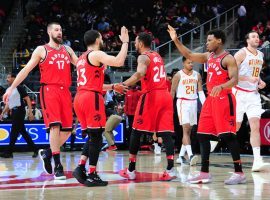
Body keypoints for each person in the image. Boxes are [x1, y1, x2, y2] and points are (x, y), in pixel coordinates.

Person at [168, 25, 246, 185]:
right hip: (211, 100)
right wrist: (175, 40)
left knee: (228, 135)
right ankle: (204, 172)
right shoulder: (208, 56)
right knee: (202, 134)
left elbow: (235, 80)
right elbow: (188, 54)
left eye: (210, 40)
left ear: (219, 41)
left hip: (225, 99)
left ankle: (239, 173)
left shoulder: (228, 58)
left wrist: (222, 86)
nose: (207, 43)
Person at [3, 22, 78, 180]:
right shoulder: (41, 50)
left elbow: (81, 66)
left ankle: (47, 153)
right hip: (49, 90)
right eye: (56, 30)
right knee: (55, 126)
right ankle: (58, 165)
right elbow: (26, 70)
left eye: (61, 30)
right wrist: (11, 88)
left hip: (65, 91)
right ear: (49, 32)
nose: (60, 32)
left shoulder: (67, 50)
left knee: (67, 130)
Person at [72, 27, 129, 187]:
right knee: (97, 137)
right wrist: (125, 42)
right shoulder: (95, 54)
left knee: (93, 135)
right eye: (101, 39)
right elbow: (119, 61)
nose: (103, 41)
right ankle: (91, 174)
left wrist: (112, 86)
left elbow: (94, 83)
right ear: (97, 40)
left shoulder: (82, 58)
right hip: (91, 98)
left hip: (80, 97)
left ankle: (81, 167)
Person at [119, 32, 177, 181]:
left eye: (135, 41)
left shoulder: (143, 57)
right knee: (166, 133)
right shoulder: (157, 56)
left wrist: (122, 84)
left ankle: (131, 169)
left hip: (152, 95)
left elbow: (139, 74)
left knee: (136, 132)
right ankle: (170, 169)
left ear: (140, 43)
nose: (134, 44)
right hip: (165, 95)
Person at [233, 31, 270, 172]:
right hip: (238, 93)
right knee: (235, 127)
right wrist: (247, 79)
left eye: (258, 37)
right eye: (253, 36)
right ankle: (216, 138)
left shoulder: (260, 55)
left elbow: (255, 73)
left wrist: (260, 81)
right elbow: (232, 74)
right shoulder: (241, 54)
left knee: (255, 125)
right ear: (247, 40)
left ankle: (257, 160)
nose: (257, 38)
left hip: (253, 95)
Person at [170, 56, 205, 166]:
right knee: (185, 129)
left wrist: (205, 105)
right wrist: (168, 107)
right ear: (183, 63)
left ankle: (180, 156)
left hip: (193, 103)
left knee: (190, 131)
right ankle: (190, 155)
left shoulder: (197, 75)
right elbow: (172, 92)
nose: (191, 64)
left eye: (192, 63)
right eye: (189, 62)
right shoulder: (178, 75)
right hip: (182, 103)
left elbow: (200, 92)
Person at [0, 73, 38, 158]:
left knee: (13, 131)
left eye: (9, 77)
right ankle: (35, 149)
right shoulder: (8, 89)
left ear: (14, 78)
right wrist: (3, 113)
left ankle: (9, 152)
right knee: (23, 132)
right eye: (7, 77)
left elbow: (27, 99)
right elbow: (8, 103)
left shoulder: (19, 87)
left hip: (20, 111)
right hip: (14, 112)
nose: (7, 79)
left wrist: (30, 112)